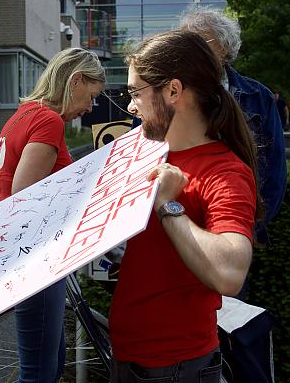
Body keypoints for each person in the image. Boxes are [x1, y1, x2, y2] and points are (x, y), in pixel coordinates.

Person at [110, 29, 259, 382]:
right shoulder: (150, 153)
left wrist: (166, 204)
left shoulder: (224, 170)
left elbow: (230, 273)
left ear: (173, 91)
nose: (131, 106)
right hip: (132, 355)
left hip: (175, 367)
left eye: (136, 93)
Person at [0, 47, 105, 382]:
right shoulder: (48, 120)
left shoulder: (22, 114)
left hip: (21, 252)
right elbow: (24, 195)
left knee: (49, 365)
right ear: (74, 81)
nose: (89, 108)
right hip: (36, 256)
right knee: (39, 374)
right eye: (90, 96)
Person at [178, 5, 286, 250]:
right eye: (186, 43)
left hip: (235, 224)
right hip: (179, 224)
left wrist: (254, 225)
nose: (189, 51)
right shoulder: (167, 95)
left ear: (224, 48)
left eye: (200, 42)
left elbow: (275, 170)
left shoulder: (258, 96)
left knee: (230, 287)